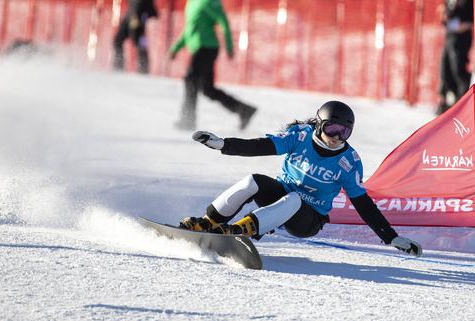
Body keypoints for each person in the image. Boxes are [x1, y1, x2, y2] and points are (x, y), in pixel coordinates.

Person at [179, 100, 423, 257]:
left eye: (344, 132)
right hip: (279, 201)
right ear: (319, 125)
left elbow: (363, 204)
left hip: (308, 220)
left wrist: (390, 237)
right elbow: (262, 146)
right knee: (253, 180)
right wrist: (224, 144)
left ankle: (239, 232)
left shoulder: (348, 161)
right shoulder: (299, 136)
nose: (337, 137)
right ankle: (208, 223)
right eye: (332, 129)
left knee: (295, 198)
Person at [170, 0, 256, 131]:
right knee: (207, 89)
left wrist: (230, 45)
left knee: (190, 79)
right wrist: (176, 47)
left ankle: (188, 120)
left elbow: (223, 21)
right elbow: (189, 28)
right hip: (198, 47)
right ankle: (244, 110)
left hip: (207, 47)